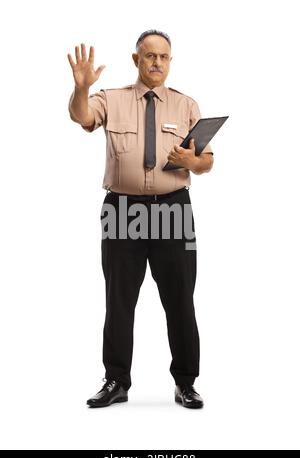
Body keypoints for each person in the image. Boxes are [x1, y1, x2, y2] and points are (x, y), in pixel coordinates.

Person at [67, 29, 214, 409]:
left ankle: (186, 383)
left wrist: (191, 162)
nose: (157, 63)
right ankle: (116, 380)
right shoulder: (111, 100)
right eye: (149, 56)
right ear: (137, 60)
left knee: (180, 298)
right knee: (119, 298)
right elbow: (80, 115)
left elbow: (207, 162)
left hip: (173, 210)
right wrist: (82, 88)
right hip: (123, 210)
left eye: (164, 57)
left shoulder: (186, 106)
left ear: (170, 61)